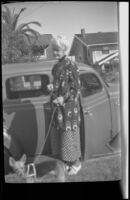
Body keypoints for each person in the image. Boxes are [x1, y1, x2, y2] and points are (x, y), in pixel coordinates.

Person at [48, 35, 82, 175]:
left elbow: (76, 88)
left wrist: (63, 97)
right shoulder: (56, 66)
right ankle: (67, 163)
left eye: (58, 49)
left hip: (69, 108)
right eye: (54, 49)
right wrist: (51, 87)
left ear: (65, 49)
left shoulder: (71, 65)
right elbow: (58, 85)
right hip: (58, 108)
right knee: (61, 136)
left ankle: (77, 163)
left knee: (70, 137)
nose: (56, 52)